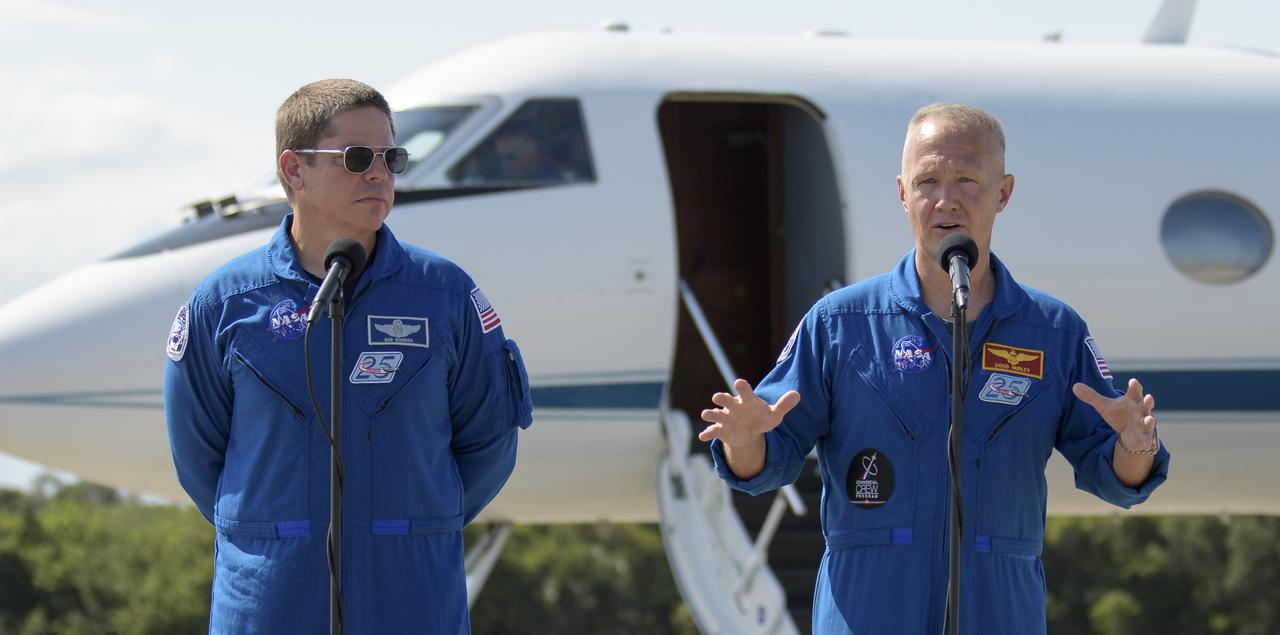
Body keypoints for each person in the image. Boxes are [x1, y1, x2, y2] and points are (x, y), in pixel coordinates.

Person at [698, 103, 1170, 634]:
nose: (946, 200)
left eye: (967, 179)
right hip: (869, 610)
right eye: (927, 181)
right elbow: (768, 463)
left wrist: (1135, 444)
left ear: (1004, 193)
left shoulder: (1052, 332)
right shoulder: (842, 323)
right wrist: (743, 440)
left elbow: (1117, 477)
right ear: (902, 193)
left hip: (1000, 611)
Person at [163, 79, 533, 633]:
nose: (379, 174)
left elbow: (489, 443)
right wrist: (278, 530)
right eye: (357, 158)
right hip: (270, 602)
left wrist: (410, 525)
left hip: (412, 599)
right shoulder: (224, 305)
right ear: (293, 170)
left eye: (392, 157)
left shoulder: (446, 295)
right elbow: (199, 460)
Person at [493, 125, 560, 182]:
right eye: (501, 159)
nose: (506, 165)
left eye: (511, 157)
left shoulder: (549, 181)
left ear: (532, 148)